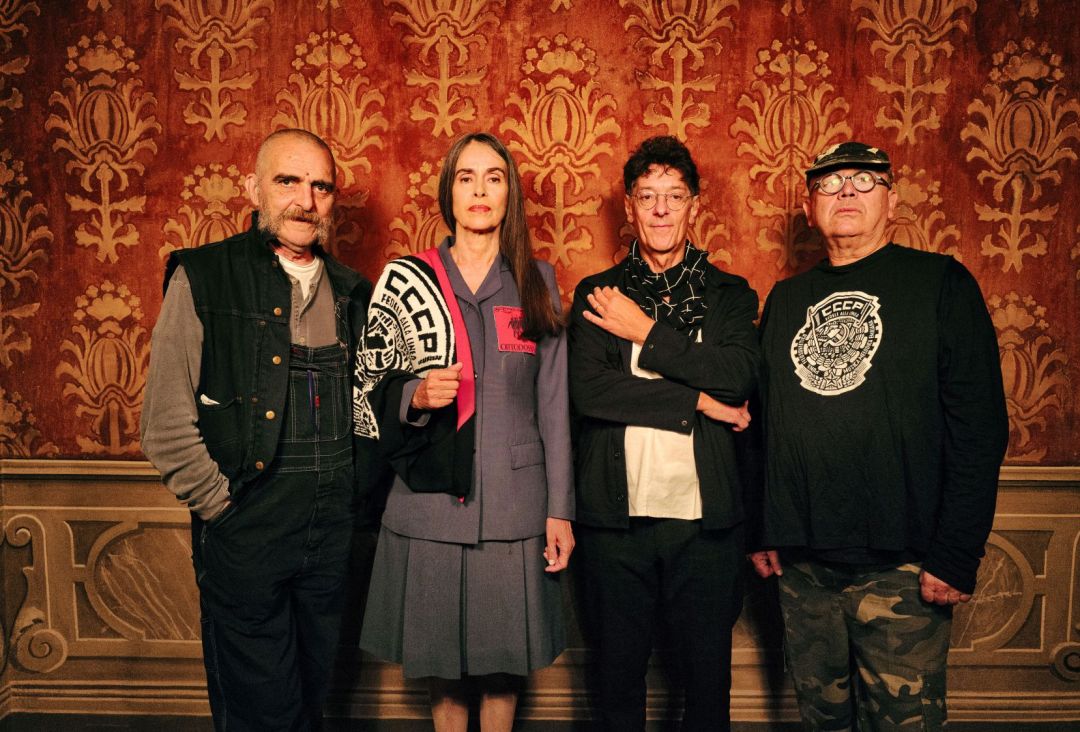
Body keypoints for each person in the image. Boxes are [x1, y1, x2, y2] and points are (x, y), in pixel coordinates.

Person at [748, 141, 1009, 730]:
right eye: (830, 182)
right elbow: (764, 427)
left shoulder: (940, 283)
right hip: (803, 568)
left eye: (864, 180)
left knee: (903, 723)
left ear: (892, 201)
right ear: (810, 207)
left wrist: (956, 554)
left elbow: (980, 429)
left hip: (904, 566)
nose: (846, 191)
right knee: (821, 721)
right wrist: (764, 527)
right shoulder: (786, 300)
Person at [140, 129, 373, 731]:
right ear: (253, 189)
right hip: (247, 526)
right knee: (259, 711)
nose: (305, 200)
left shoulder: (355, 292)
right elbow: (164, 425)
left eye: (321, 186)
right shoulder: (203, 276)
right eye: (287, 181)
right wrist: (224, 511)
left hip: (332, 532)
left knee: (312, 699)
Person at [354, 131, 574, 732]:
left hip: (514, 503)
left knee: (503, 666)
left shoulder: (537, 280)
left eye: (493, 178)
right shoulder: (409, 279)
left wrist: (561, 509)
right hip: (428, 499)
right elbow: (370, 385)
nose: (480, 190)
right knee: (442, 665)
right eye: (466, 177)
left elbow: (554, 404)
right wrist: (416, 396)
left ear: (510, 194)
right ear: (448, 193)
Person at [568, 135, 760, 731]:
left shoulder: (730, 294)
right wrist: (698, 400)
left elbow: (737, 375)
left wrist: (644, 332)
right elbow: (592, 392)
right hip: (615, 527)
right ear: (629, 207)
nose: (660, 209)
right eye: (647, 196)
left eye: (674, 196)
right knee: (617, 684)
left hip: (705, 529)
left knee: (706, 687)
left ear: (693, 206)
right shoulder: (599, 294)